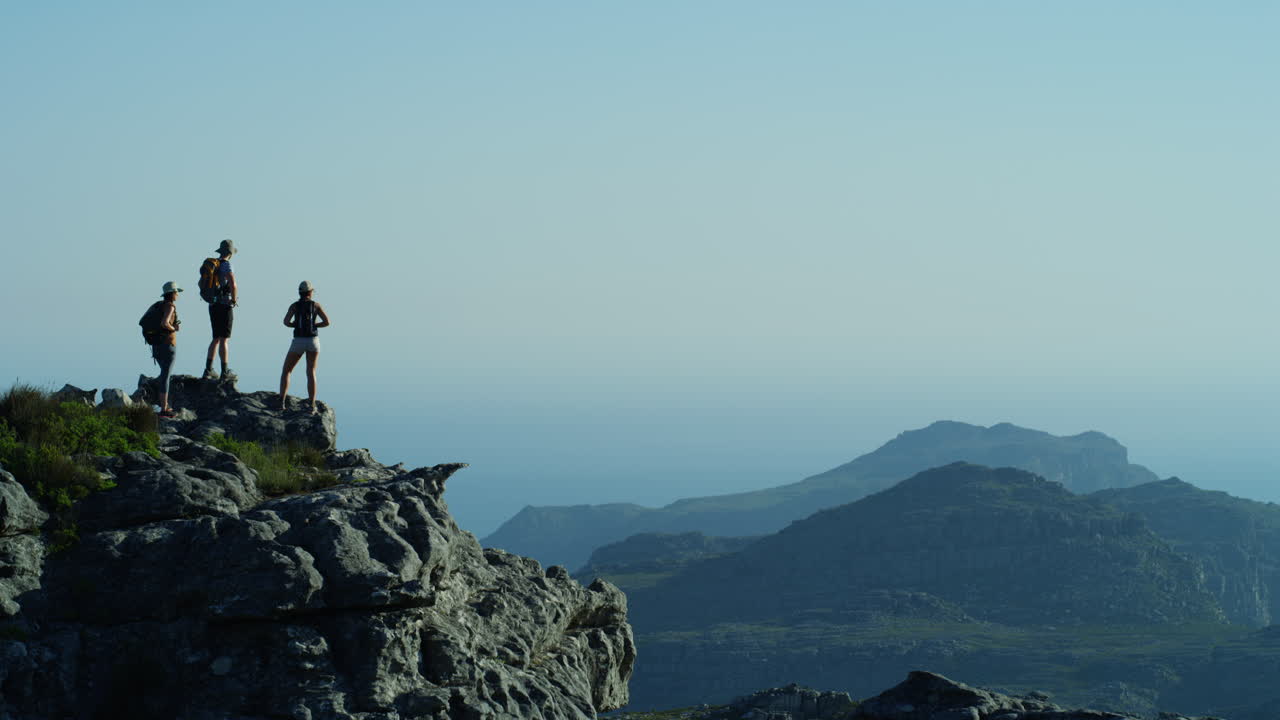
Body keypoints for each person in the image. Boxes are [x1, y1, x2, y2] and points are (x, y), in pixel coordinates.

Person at [279, 281, 330, 413]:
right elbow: (327, 322)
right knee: (311, 372)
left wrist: (295, 325)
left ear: (300, 292)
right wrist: (314, 326)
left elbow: (286, 322)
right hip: (313, 341)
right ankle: (312, 405)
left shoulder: (294, 306)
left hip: (299, 341)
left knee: (287, 371)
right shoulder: (316, 305)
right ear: (310, 292)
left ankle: (282, 403)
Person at [203, 239, 238, 381]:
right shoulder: (226, 265)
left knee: (215, 338)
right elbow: (233, 284)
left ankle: (208, 369)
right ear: (230, 253)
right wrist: (234, 300)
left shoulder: (213, 265)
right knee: (224, 339)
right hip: (224, 305)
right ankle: (224, 371)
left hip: (213, 304)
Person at [151, 281, 183, 417]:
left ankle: (163, 405)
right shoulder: (170, 306)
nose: (178, 295)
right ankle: (164, 408)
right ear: (172, 293)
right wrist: (174, 328)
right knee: (165, 376)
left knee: (163, 374)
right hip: (167, 345)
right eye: (176, 292)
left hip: (156, 345)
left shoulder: (159, 305)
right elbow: (165, 323)